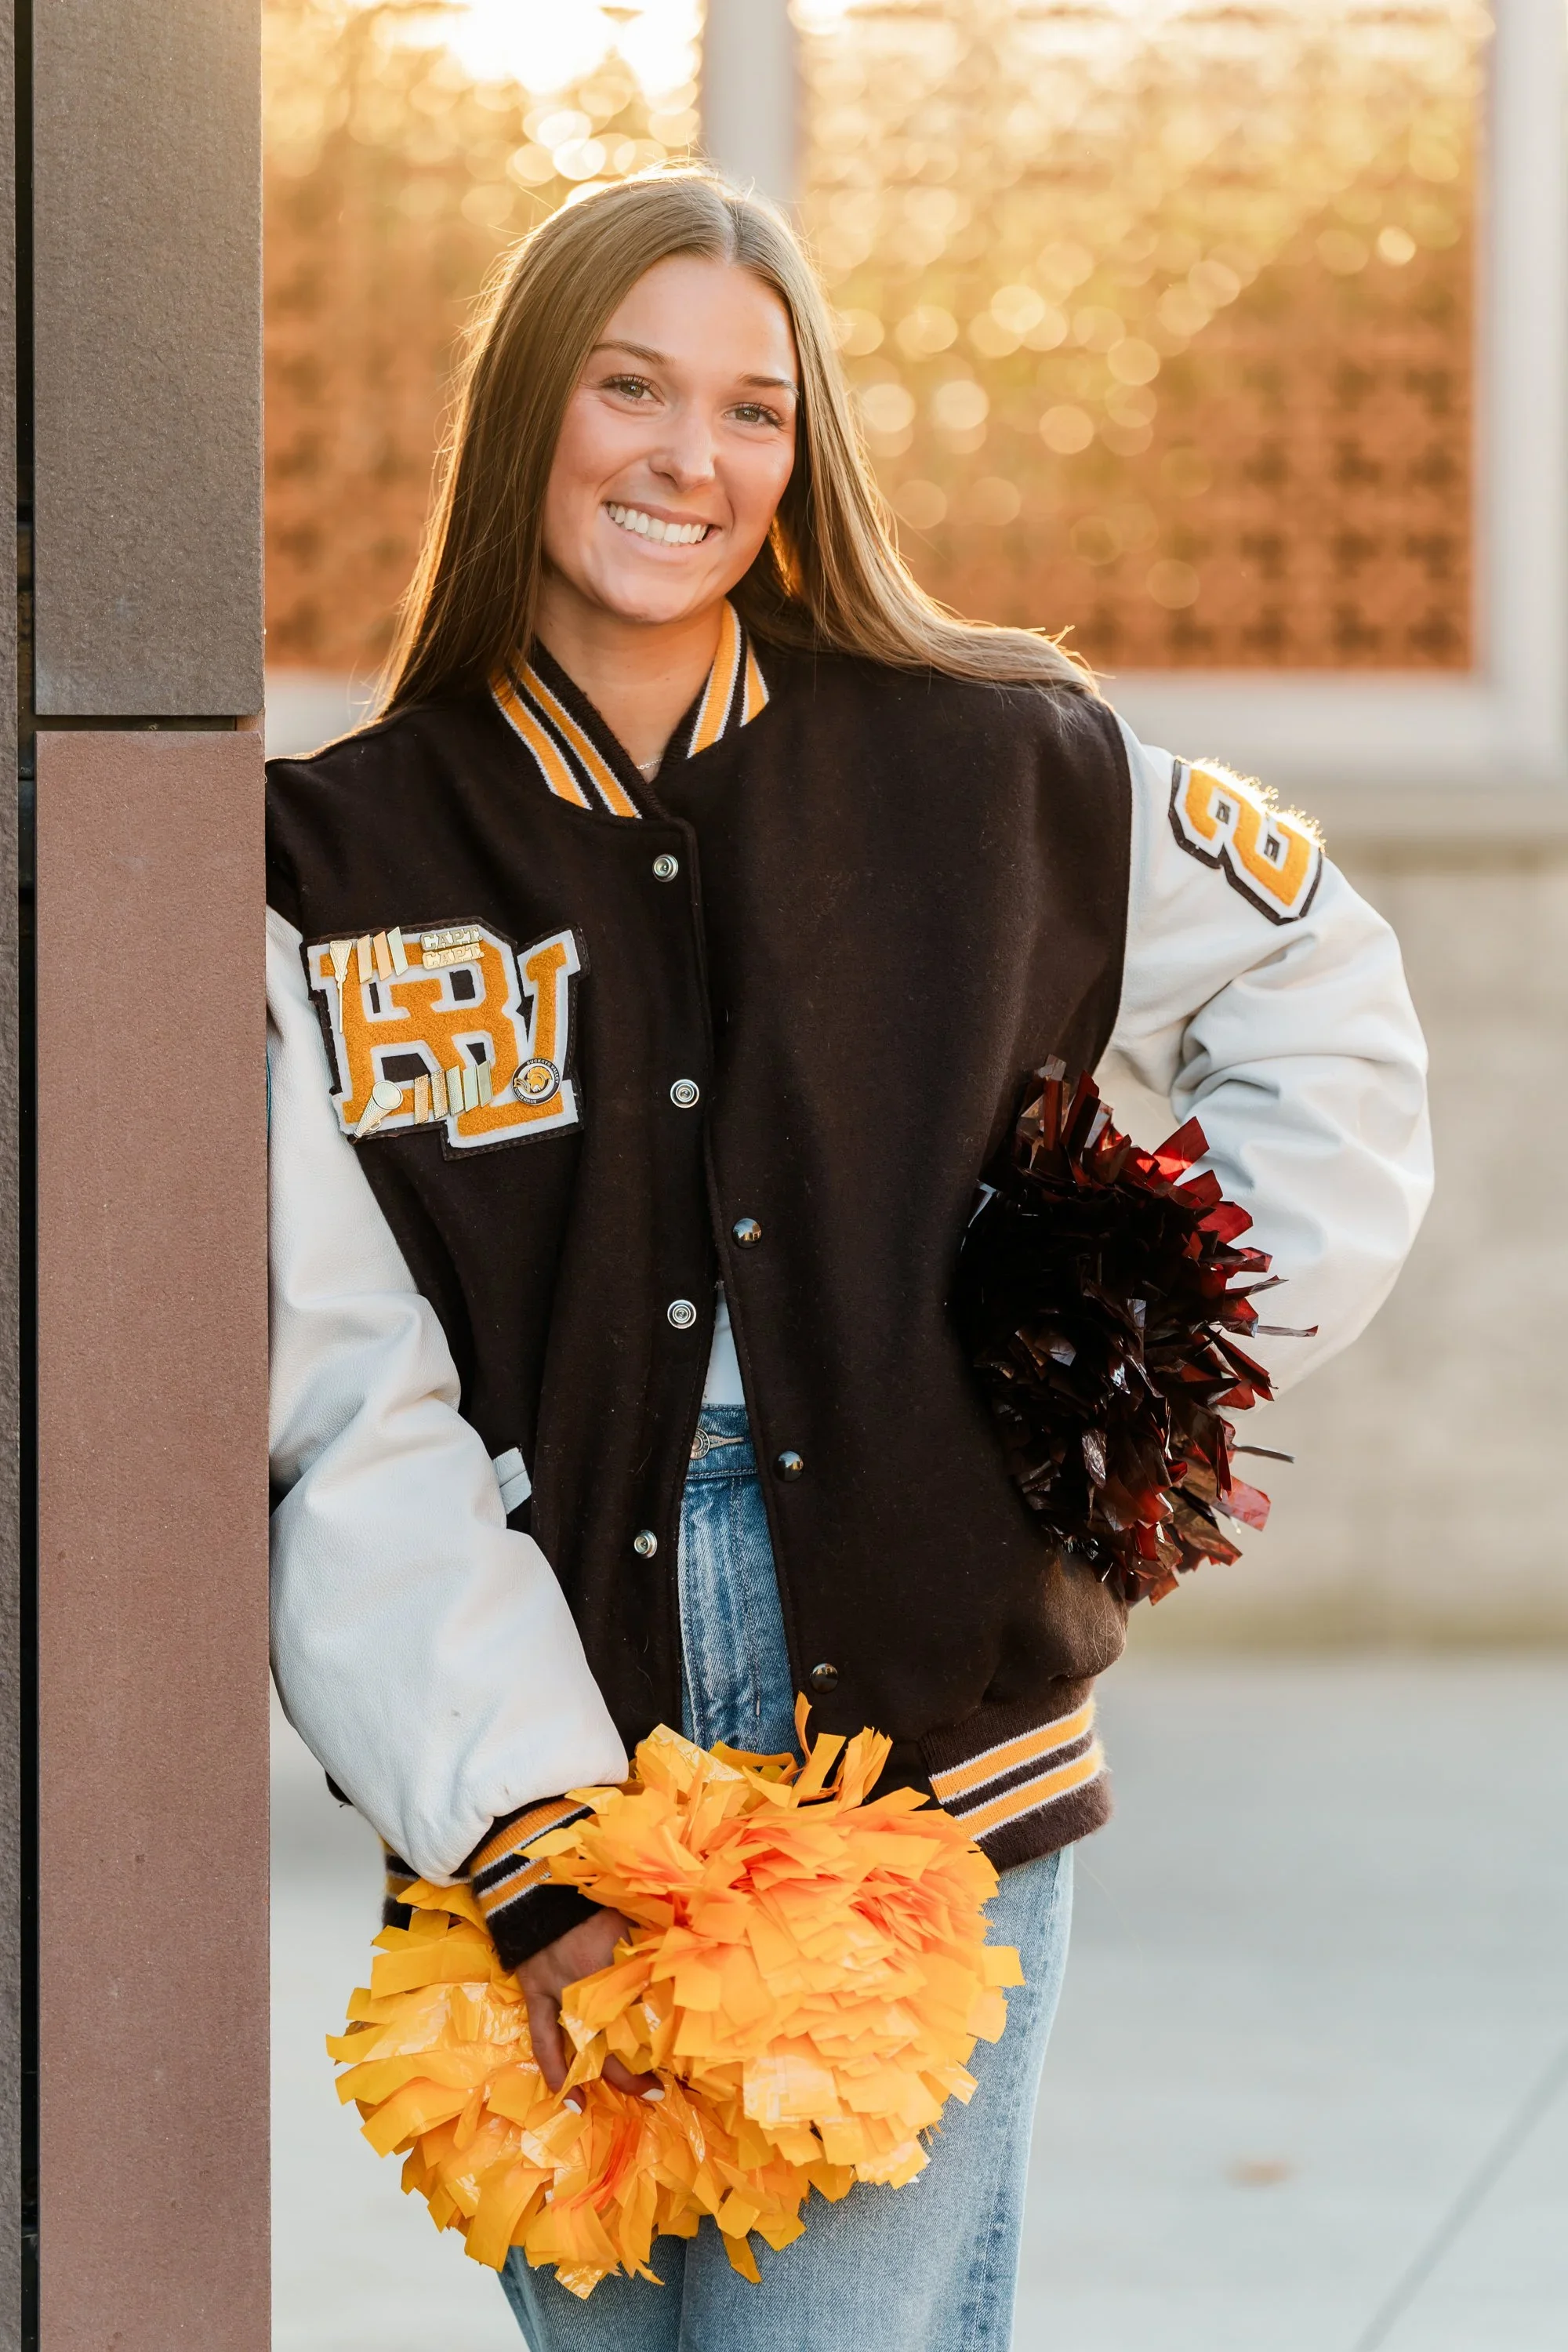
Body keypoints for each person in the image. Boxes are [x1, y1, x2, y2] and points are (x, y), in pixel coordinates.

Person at [265, 170, 1432, 2350]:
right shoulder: (328, 857)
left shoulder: (994, 758)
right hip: (521, 1718)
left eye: (751, 410)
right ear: (531, 406)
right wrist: (531, 1837)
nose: (684, 458)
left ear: (807, 463)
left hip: (926, 1741)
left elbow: (1323, 991)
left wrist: (1143, 1343)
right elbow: (341, 1396)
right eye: (630, 386)